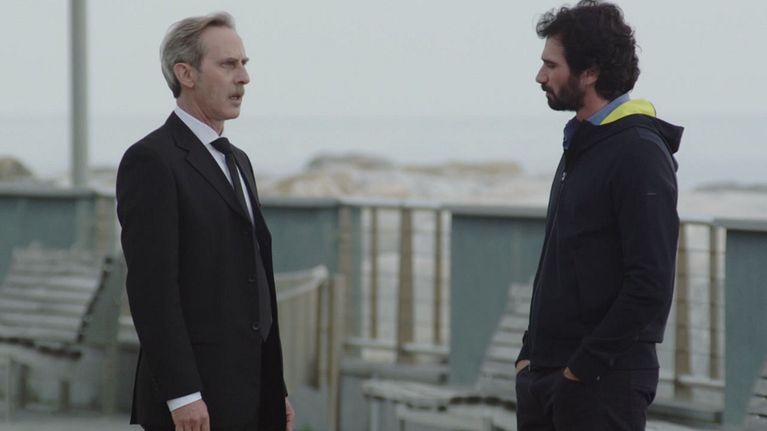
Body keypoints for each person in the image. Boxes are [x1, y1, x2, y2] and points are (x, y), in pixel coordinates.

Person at [116, 12, 294, 431]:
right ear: (186, 74)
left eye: (244, 63)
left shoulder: (238, 161)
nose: (244, 77)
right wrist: (182, 394)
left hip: (252, 396)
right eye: (228, 64)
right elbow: (152, 290)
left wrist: (276, 389)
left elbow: (253, 283)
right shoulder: (151, 160)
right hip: (195, 404)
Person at [514, 1, 683, 430]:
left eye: (551, 65)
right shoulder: (583, 144)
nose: (540, 76)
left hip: (601, 386)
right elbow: (559, 262)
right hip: (548, 380)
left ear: (589, 72)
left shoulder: (638, 152)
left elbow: (650, 284)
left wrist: (580, 370)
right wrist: (528, 357)